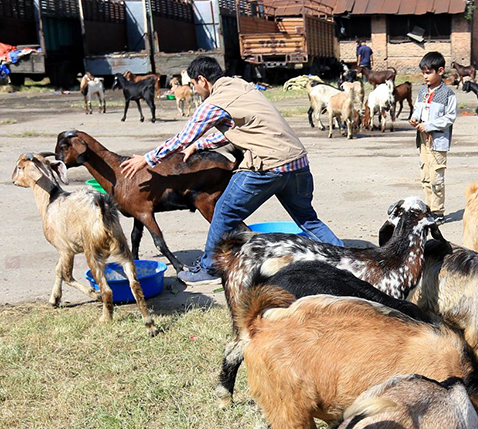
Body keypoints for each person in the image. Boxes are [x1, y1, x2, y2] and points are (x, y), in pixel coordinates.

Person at [119, 56, 342, 285]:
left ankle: (209, 269)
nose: (194, 90)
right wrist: (200, 145)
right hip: (297, 163)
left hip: (266, 166)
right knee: (308, 220)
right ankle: (347, 260)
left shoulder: (214, 103)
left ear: (202, 80)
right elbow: (245, 127)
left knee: (223, 213)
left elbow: (183, 138)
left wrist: (147, 159)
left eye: (194, 85)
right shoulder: (244, 87)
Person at [409, 51, 456, 216]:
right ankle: (429, 209)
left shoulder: (448, 94)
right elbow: (417, 109)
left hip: (437, 141)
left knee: (436, 177)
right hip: (422, 140)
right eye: (423, 72)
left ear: (440, 71)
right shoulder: (423, 91)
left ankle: (437, 211)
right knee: (425, 176)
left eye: (429, 72)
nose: (425, 76)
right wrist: (415, 118)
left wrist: (429, 126)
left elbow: (450, 118)